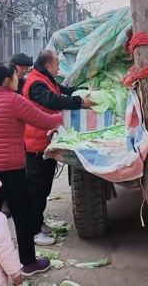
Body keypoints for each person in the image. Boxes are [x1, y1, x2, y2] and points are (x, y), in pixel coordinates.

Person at [0, 62, 63, 277]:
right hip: (12, 170)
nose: (18, 80)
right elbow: (44, 121)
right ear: (7, 81)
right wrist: (64, 116)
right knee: (22, 218)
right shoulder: (15, 101)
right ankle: (29, 264)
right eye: (16, 76)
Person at [23, 50, 93, 246]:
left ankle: (38, 224)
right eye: (57, 64)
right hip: (36, 143)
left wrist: (84, 91)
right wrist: (80, 102)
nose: (59, 68)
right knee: (37, 189)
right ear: (48, 66)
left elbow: (62, 90)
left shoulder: (45, 79)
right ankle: (33, 232)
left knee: (43, 188)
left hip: (44, 141)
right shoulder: (36, 83)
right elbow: (53, 100)